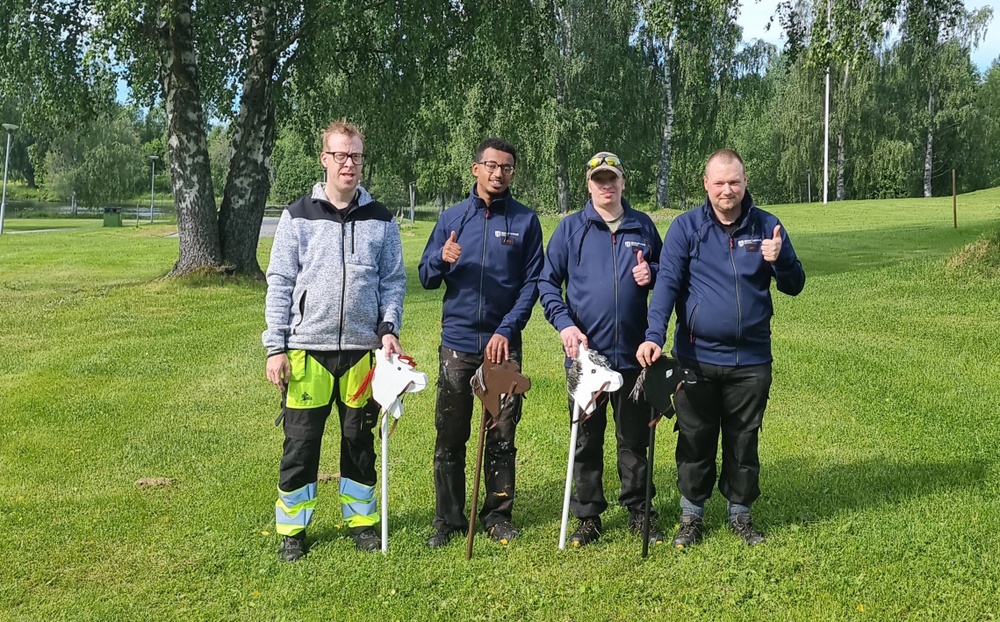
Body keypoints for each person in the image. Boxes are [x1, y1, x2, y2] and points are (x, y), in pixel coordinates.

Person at [636, 149, 805, 548]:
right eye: (719, 182)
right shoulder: (685, 228)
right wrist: (653, 336)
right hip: (696, 358)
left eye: (734, 182)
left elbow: (794, 285)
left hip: (751, 360)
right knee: (694, 438)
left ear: (745, 182)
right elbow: (667, 286)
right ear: (706, 185)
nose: (727, 190)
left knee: (744, 439)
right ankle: (691, 516)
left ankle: (740, 513)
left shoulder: (768, 226)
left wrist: (780, 261)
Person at [262, 121, 407, 561]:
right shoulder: (297, 215)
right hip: (307, 351)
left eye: (357, 156)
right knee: (301, 446)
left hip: (363, 354)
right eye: (341, 155)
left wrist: (389, 329)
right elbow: (281, 281)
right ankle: (293, 531)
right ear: (324, 159)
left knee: (359, 444)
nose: (349, 163)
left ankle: (361, 523)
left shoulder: (381, 219)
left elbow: (393, 281)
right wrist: (276, 347)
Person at [418, 137, 544, 548]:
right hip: (457, 345)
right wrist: (442, 258)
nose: (498, 173)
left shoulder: (525, 221)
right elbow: (426, 276)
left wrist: (506, 330)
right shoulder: (453, 218)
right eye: (491, 165)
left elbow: (532, 285)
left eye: (506, 167)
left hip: (503, 348)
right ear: (476, 169)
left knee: (502, 433)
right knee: (450, 434)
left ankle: (496, 515)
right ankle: (448, 517)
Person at [538, 152, 664, 547]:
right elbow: (546, 284)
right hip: (584, 357)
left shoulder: (643, 226)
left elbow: (669, 275)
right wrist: (565, 324)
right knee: (586, 438)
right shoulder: (570, 229)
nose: (606, 185)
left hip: (633, 356)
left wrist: (652, 273)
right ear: (588, 185)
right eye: (599, 179)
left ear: (623, 182)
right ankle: (588, 515)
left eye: (612, 178)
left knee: (633, 439)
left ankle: (640, 511)